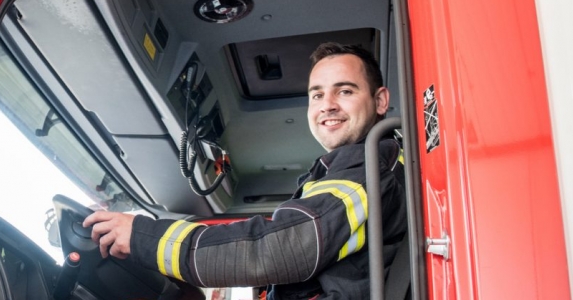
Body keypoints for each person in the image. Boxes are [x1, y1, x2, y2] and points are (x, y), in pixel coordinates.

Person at [83, 42, 408, 299]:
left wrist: (143, 238)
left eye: (345, 91)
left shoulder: (370, 162)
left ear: (380, 101)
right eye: (317, 94)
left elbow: (283, 248)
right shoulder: (356, 164)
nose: (327, 104)